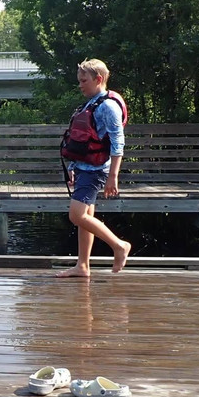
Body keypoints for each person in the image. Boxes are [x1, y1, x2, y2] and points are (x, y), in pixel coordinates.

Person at [56, 59, 132, 278]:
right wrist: (72, 166)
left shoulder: (107, 106)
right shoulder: (90, 103)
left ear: (98, 79)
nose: (80, 85)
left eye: (84, 81)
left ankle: (119, 246)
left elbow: (118, 143)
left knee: (76, 215)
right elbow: (80, 140)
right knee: (86, 216)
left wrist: (113, 177)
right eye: (79, 81)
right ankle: (82, 266)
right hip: (83, 168)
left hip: (96, 171)